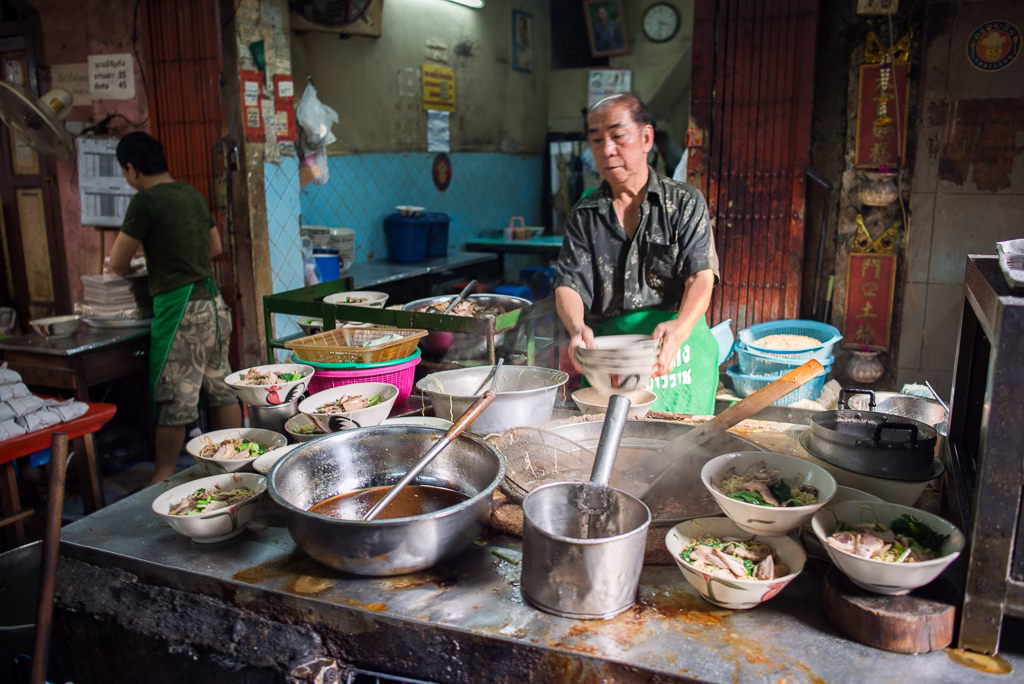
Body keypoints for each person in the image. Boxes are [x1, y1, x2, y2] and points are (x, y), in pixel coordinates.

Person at [555, 93, 720, 415]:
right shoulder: (584, 215)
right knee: (614, 442)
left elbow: (701, 275)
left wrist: (680, 328)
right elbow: (569, 284)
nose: (607, 149)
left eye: (618, 136)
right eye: (597, 140)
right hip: (611, 364)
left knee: (683, 443)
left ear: (646, 138)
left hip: (679, 359)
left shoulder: (684, 203)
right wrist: (576, 327)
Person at [109, 132, 241, 484]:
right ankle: (240, 465)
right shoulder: (191, 194)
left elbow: (117, 264)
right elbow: (215, 248)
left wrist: (148, 262)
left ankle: (162, 477)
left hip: (182, 311)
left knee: (175, 398)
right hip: (215, 306)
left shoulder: (145, 202)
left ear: (132, 169)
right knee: (221, 388)